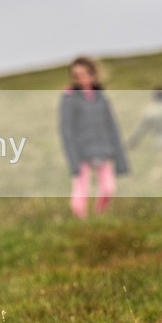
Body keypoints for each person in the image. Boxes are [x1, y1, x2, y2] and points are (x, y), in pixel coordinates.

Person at [59, 56, 129, 219]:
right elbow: (66, 129)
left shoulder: (101, 97)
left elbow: (112, 126)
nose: (80, 78)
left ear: (93, 74)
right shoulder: (69, 98)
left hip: (104, 149)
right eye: (76, 75)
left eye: (83, 74)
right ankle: (80, 220)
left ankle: (100, 217)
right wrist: (73, 157)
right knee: (81, 190)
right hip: (82, 151)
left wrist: (119, 155)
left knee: (108, 188)